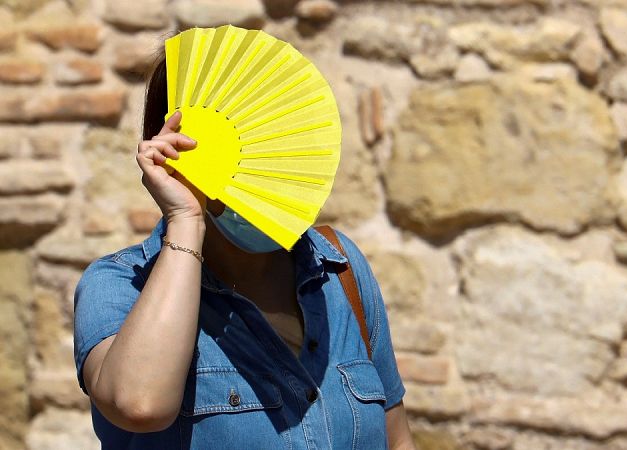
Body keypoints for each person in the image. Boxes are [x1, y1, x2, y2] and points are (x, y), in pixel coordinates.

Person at [72, 50, 415, 449]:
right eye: (245, 147)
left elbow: (398, 441)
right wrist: (186, 218)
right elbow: (141, 403)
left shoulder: (339, 268)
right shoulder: (119, 285)